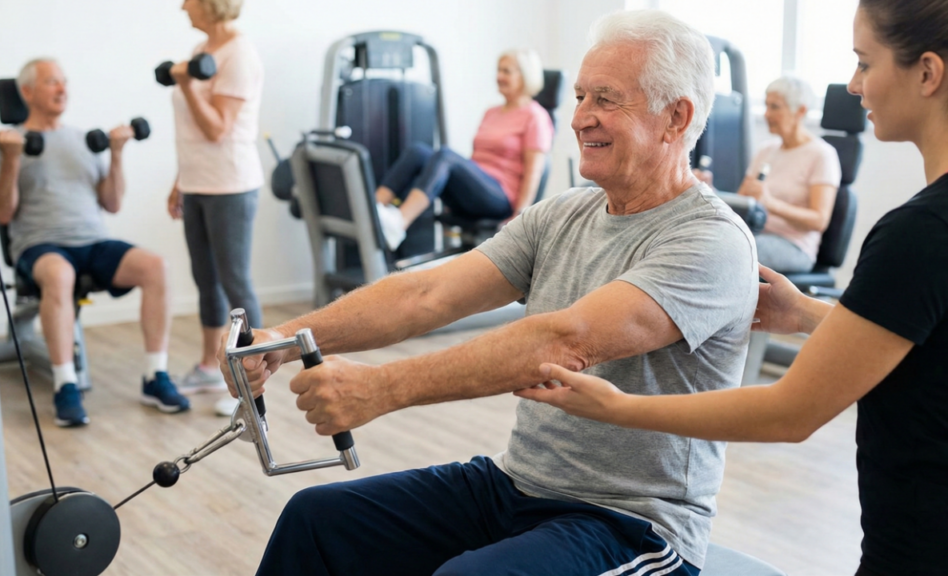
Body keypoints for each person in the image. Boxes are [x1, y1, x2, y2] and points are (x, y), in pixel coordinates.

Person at [224, 11, 757, 575]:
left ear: (676, 117)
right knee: (317, 519)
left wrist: (381, 387)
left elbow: (563, 340)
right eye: (579, 96)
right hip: (514, 484)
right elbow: (428, 293)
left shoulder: (711, 241)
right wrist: (281, 339)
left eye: (606, 99)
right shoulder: (563, 213)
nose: (580, 118)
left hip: (632, 523)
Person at [516, 2, 948, 574]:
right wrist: (810, 314)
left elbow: (789, 413)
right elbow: (928, 336)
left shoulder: (918, 233)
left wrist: (621, 407)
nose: (853, 84)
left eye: (865, 63)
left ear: (927, 73)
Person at [0, 59, 189, 427]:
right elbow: (2, 213)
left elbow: (111, 203)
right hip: (40, 246)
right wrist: (12, 159)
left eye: (64, 81)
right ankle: (66, 384)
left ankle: (154, 376)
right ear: (28, 92)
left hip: (93, 242)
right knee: (60, 274)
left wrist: (115, 154)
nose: (63, 89)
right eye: (52, 83)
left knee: (156, 266)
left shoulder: (83, 139)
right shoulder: (8, 144)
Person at [165, 0, 265, 416]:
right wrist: (179, 181)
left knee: (235, 282)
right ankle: (210, 366)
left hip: (231, 184)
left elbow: (217, 128)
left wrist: (186, 83)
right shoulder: (201, 51)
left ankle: (251, 386)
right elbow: (191, 131)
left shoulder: (239, 54)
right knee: (206, 280)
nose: (182, 5)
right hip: (198, 182)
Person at [373, 49, 554, 250]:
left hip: (500, 197)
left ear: (525, 76)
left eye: (506, 71)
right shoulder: (492, 112)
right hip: (477, 190)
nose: (499, 76)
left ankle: (399, 223)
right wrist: (455, 188)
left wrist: (521, 214)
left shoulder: (535, 116)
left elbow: (534, 171)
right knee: (418, 152)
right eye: (498, 70)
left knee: (446, 156)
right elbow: (476, 161)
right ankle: (374, 211)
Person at [734, 75, 842, 273]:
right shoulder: (766, 150)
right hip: (756, 234)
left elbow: (819, 220)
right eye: (766, 105)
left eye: (775, 107)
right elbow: (742, 202)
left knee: (732, 250)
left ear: (800, 111)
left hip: (794, 246)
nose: (766, 114)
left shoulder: (822, 155)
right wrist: (710, 191)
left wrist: (771, 203)